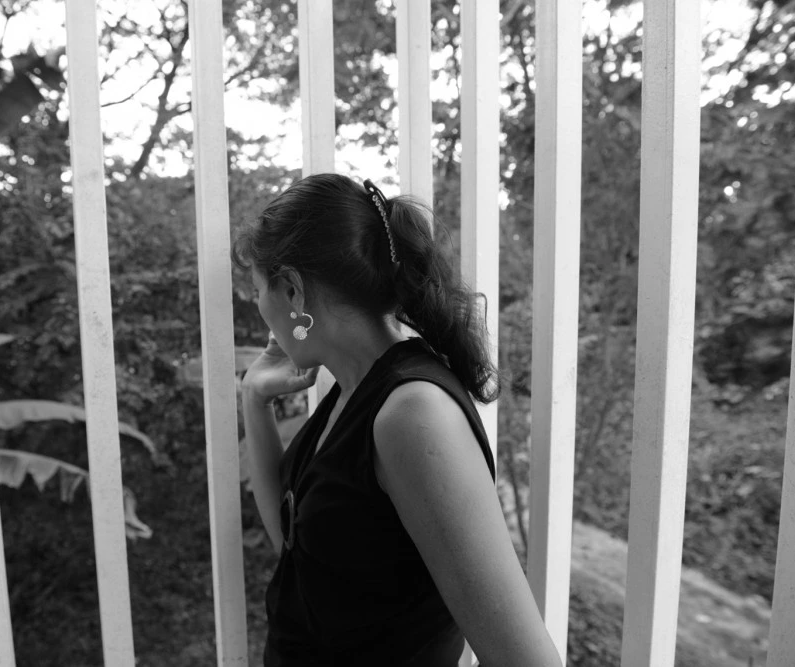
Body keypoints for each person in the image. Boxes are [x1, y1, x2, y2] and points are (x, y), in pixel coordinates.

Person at [232, 173, 561, 666]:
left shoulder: (412, 414)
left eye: (258, 290)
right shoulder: (354, 390)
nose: (259, 308)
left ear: (293, 292)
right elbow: (296, 546)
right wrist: (254, 398)